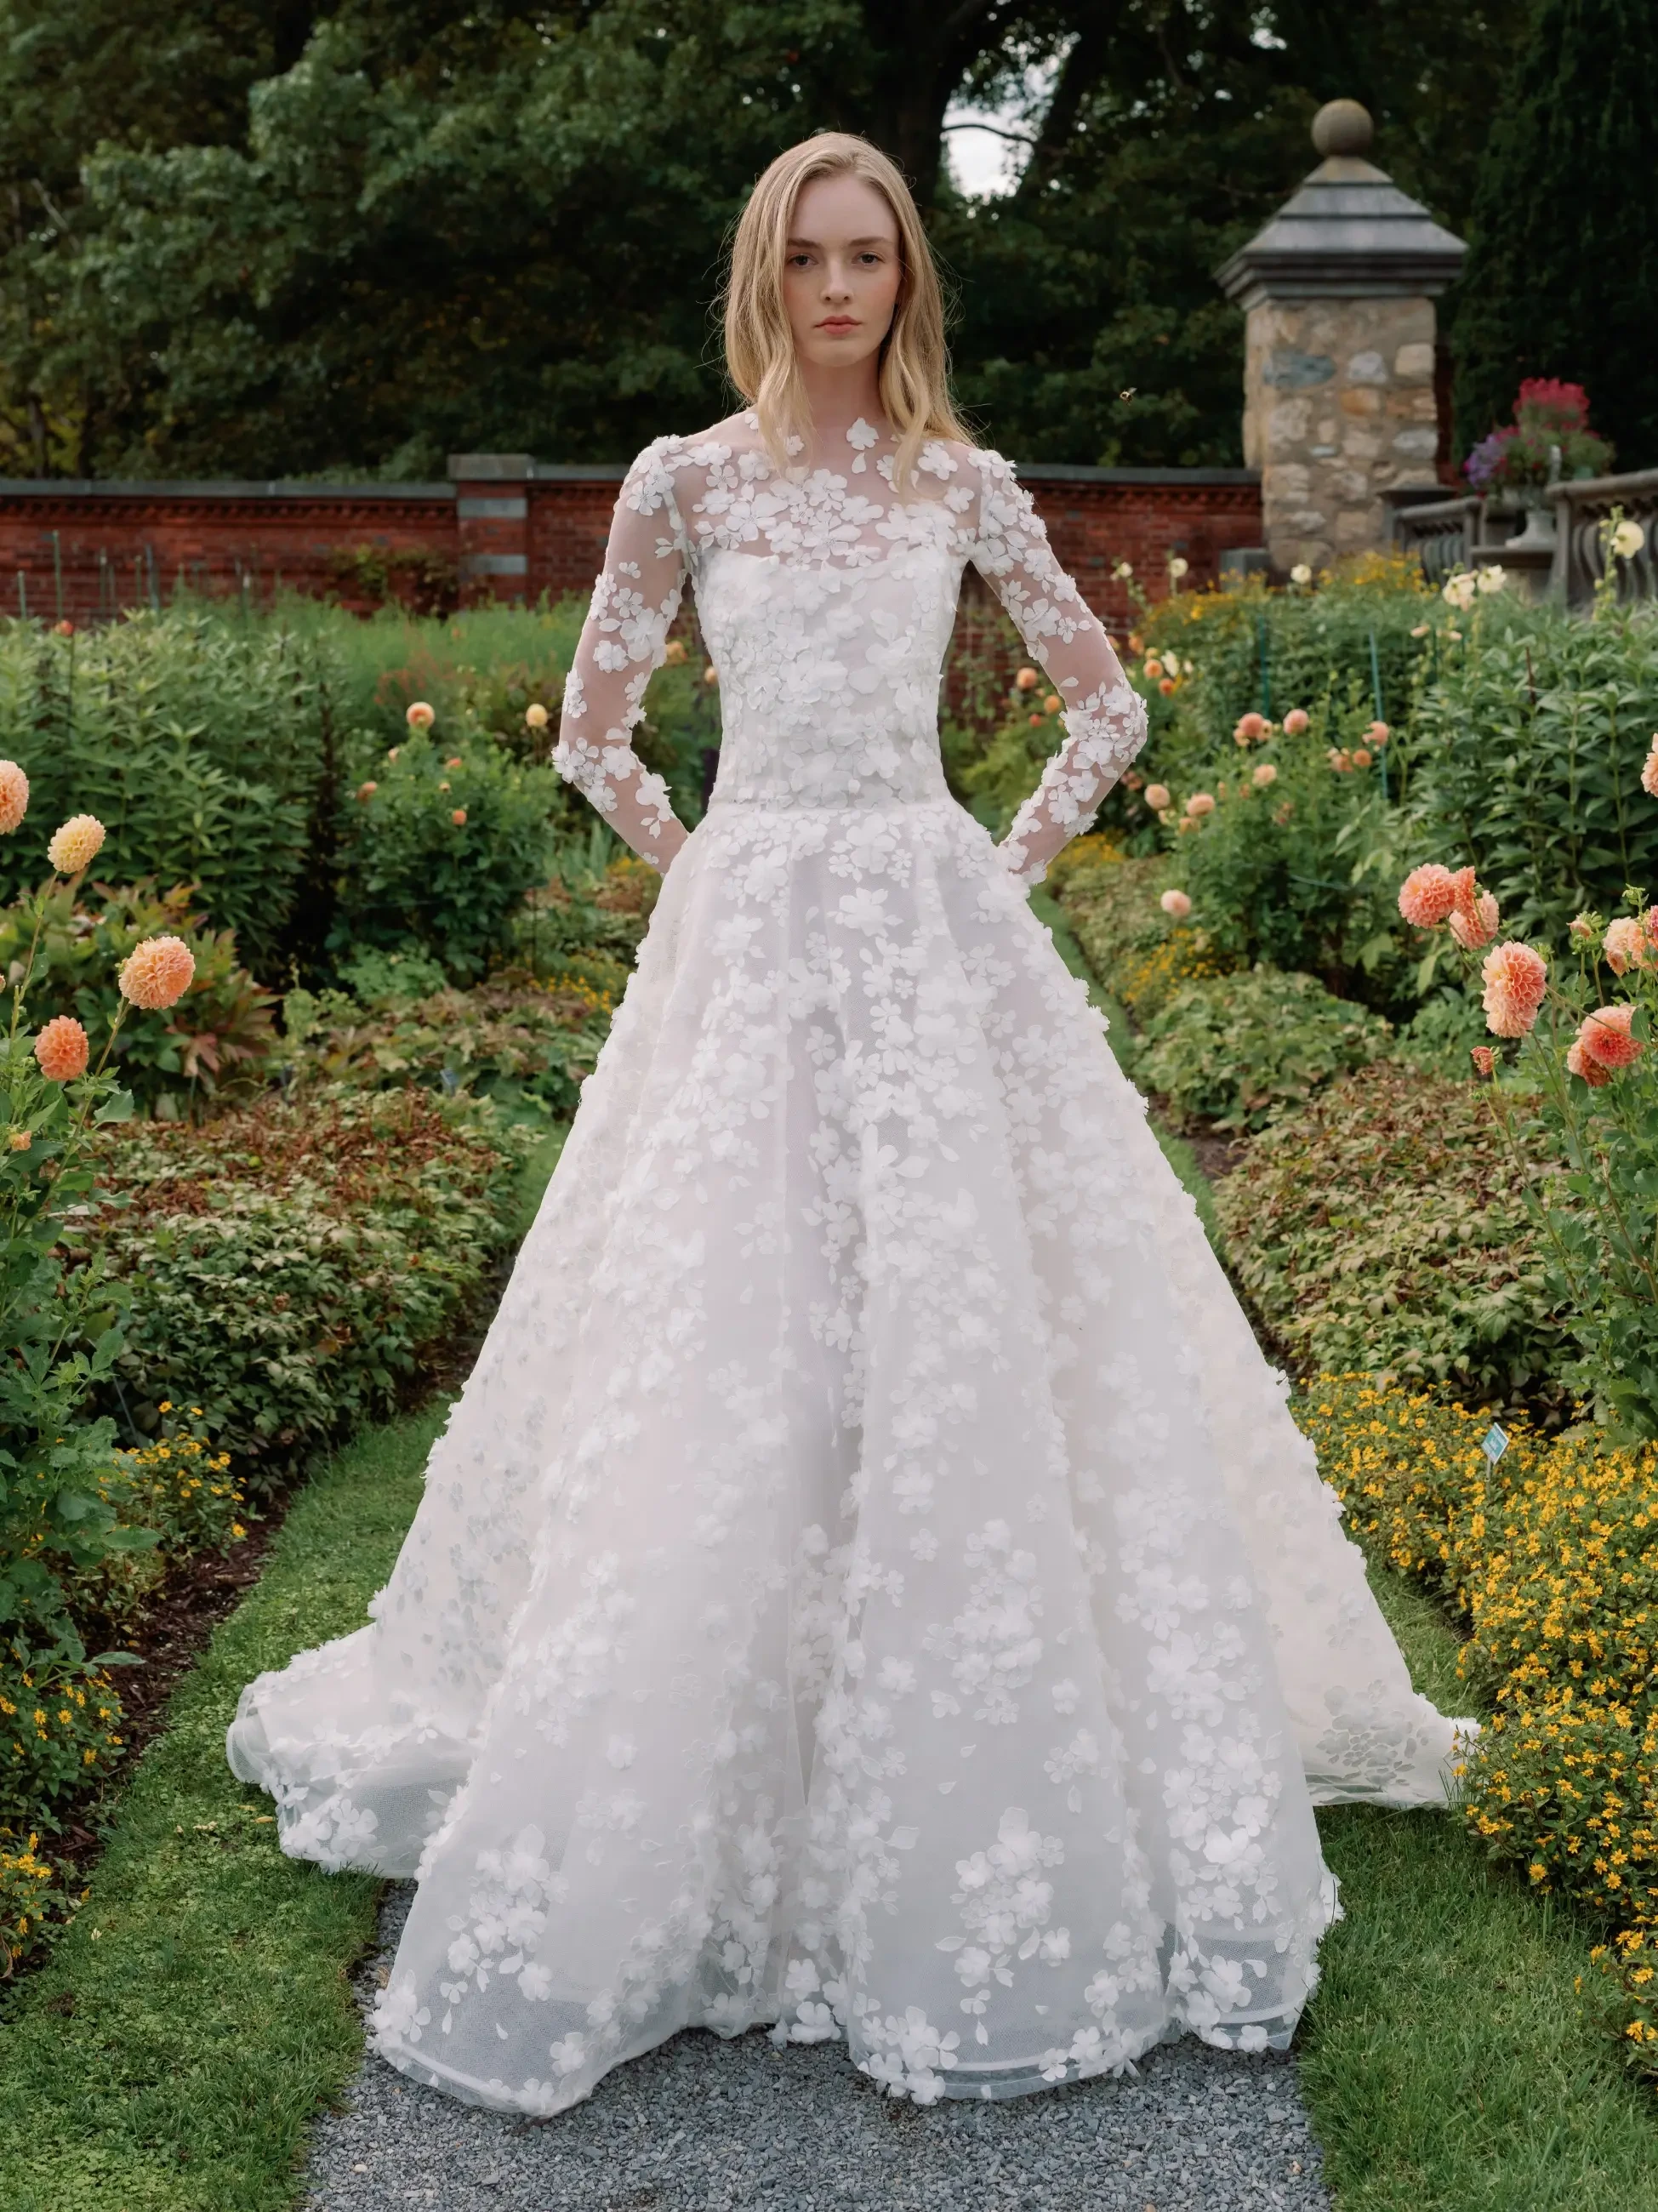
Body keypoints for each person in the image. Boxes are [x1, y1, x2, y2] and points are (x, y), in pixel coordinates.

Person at [228, 130, 1471, 2118]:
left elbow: (1106, 707)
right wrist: (704, 861)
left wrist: (1000, 864)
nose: (835, 288)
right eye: (805, 256)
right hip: (750, 938)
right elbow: (590, 729)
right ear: (763, 272)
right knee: (732, 1328)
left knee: (965, 1325)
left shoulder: (961, 483)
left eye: (867, 255)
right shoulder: (685, 482)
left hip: (926, 926)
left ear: (905, 277)